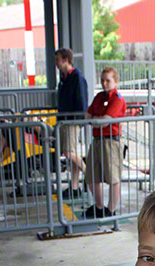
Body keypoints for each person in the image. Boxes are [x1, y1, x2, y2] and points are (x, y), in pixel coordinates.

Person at [84, 66, 126, 218]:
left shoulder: (117, 99)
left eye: (108, 80)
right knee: (91, 175)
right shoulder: (99, 97)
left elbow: (105, 121)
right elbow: (88, 116)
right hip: (97, 140)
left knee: (113, 177)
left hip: (111, 141)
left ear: (115, 81)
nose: (104, 83)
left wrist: (95, 121)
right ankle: (99, 206)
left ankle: (111, 209)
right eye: (102, 80)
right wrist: (97, 121)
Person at [55, 48, 88, 200]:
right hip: (65, 120)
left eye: (58, 60)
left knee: (69, 152)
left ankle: (89, 176)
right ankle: (74, 186)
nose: (56, 63)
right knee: (71, 152)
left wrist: (77, 118)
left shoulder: (76, 77)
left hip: (71, 120)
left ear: (65, 60)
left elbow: (81, 100)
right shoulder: (64, 78)